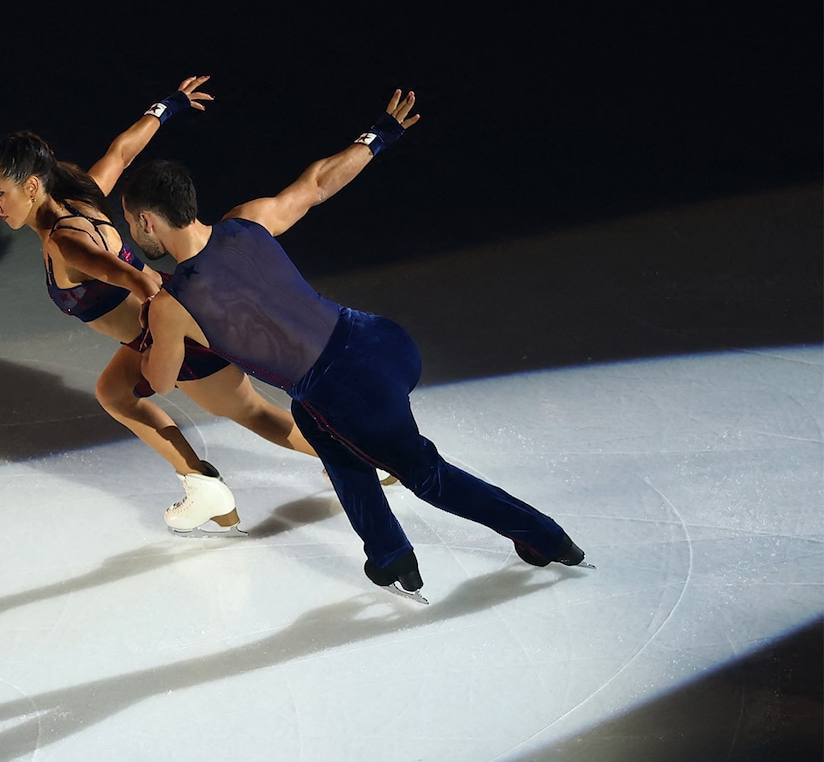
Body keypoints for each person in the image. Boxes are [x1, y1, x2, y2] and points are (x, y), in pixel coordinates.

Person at [122, 88, 591, 601]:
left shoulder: (173, 304)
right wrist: (378, 135)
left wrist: (151, 329)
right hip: (381, 340)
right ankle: (388, 553)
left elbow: (161, 381)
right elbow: (318, 183)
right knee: (313, 422)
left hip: (348, 391)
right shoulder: (246, 220)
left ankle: (545, 537)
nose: (130, 229)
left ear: (148, 220)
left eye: (129, 220)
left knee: (425, 474)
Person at [0, 77, 366, 537]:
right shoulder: (80, 196)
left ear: (29, 188)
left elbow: (136, 277)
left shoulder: (65, 242)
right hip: (155, 331)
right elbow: (122, 152)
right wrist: (168, 106)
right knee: (114, 392)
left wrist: (172, 331)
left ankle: (363, 459)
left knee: (254, 414)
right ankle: (203, 484)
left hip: (174, 335)